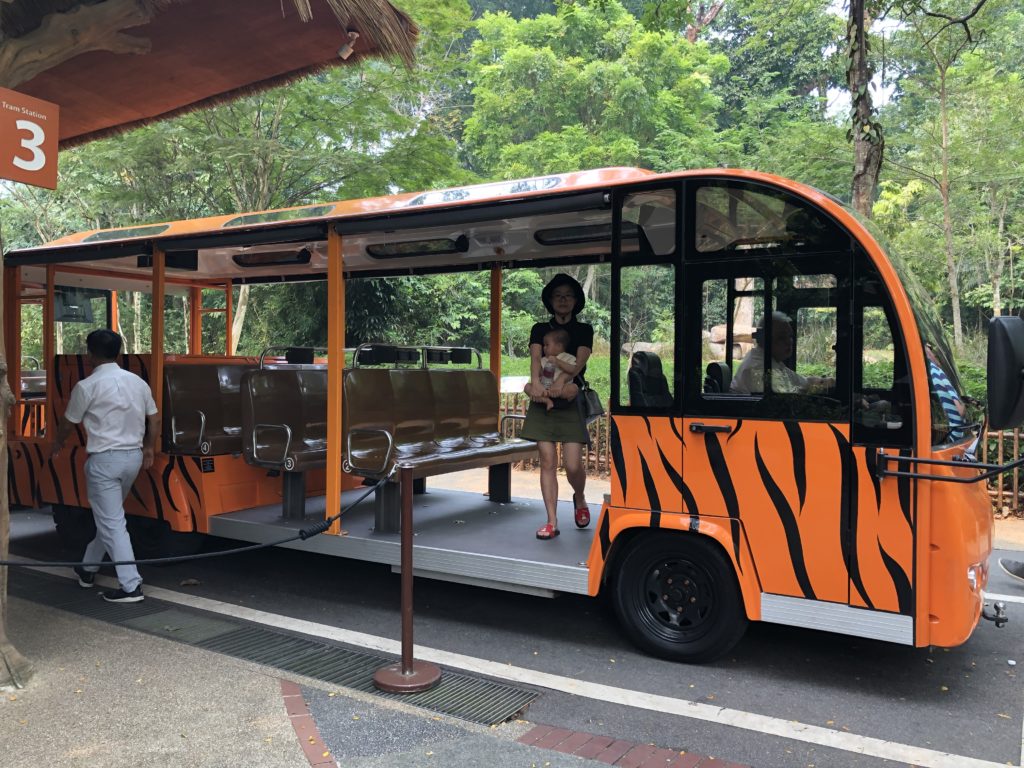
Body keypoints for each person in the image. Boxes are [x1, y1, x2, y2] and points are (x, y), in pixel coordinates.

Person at [52, 329, 159, 603]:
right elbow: (154, 419)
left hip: (104, 461)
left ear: (90, 355)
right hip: (132, 458)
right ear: (119, 352)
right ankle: (87, 569)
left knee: (112, 523)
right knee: (108, 518)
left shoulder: (86, 387)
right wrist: (148, 447)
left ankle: (131, 586)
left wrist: (57, 443)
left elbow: (68, 422)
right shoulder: (138, 382)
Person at [520, 274, 593, 539]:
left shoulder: (584, 330)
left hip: (570, 399)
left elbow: (578, 366)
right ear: (551, 301)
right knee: (547, 461)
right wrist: (535, 383)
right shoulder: (540, 328)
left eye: (568, 295)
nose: (563, 300)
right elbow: (536, 357)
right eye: (558, 296)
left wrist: (562, 386)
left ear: (576, 301)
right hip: (543, 401)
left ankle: (580, 497)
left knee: (573, 465)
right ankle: (551, 521)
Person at [731, 311, 834, 395]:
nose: (789, 341)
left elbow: (804, 383)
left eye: (790, 336)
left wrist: (826, 381)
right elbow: (787, 401)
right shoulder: (758, 368)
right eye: (781, 337)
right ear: (764, 339)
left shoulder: (772, 362)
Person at [925, 343, 967, 440]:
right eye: (929, 349)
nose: (933, 353)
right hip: (953, 437)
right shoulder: (936, 372)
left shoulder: (929, 372)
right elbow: (960, 410)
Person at [536, 327, 577, 411]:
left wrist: (558, 362)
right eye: (544, 345)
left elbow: (572, 369)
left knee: (574, 388)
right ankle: (546, 400)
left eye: (547, 345)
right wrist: (540, 378)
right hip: (545, 388)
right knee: (527, 387)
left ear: (559, 346)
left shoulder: (567, 357)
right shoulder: (544, 359)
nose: (544, 348)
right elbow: (540, 373)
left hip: (562, 388)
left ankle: (562, 400)